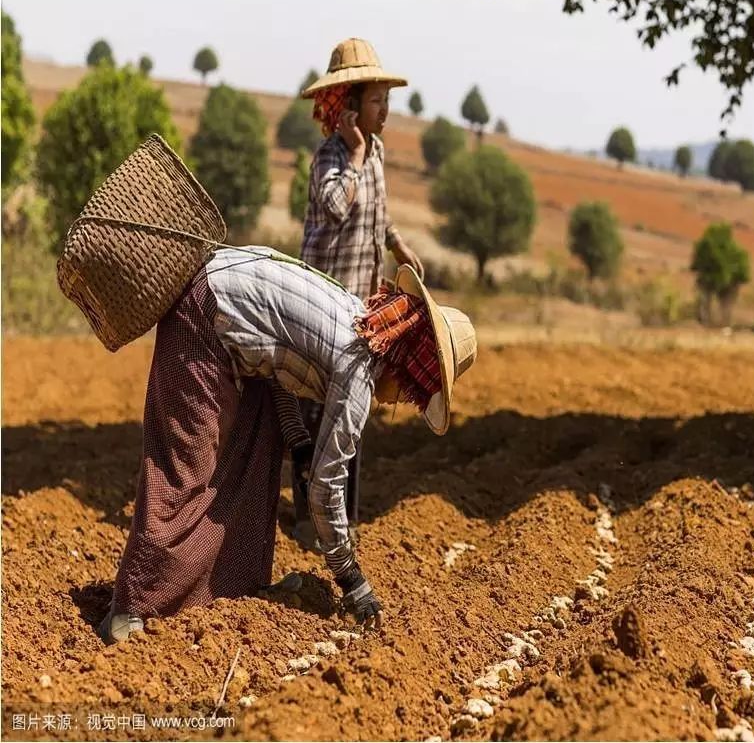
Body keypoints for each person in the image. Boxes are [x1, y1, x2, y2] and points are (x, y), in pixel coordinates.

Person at [99, 248, 476, 644]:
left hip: (225, 310)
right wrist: (350, 577)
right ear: (407, 370)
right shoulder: (358, 370)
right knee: (187, 467)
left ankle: (232, 586)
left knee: (260, 445)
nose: (396, 402)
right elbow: (326, 489)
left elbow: (275, 357)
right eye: (409, 394)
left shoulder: (355, 318)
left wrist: (297, 440)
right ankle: (131, 607)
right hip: (203, 314)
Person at [294, 38, 424, 545]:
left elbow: (378, 212)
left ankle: (342, 518)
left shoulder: (377, 152)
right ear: (347, 108)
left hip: (360, 304)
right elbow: (334, 208)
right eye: (375, 102)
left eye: (386, 101)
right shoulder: (333, 155)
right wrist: (351, 153)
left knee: (353, 410)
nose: (385, 110)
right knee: (314, 408)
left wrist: (398, 244)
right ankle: (308, 519)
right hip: (321, 298)